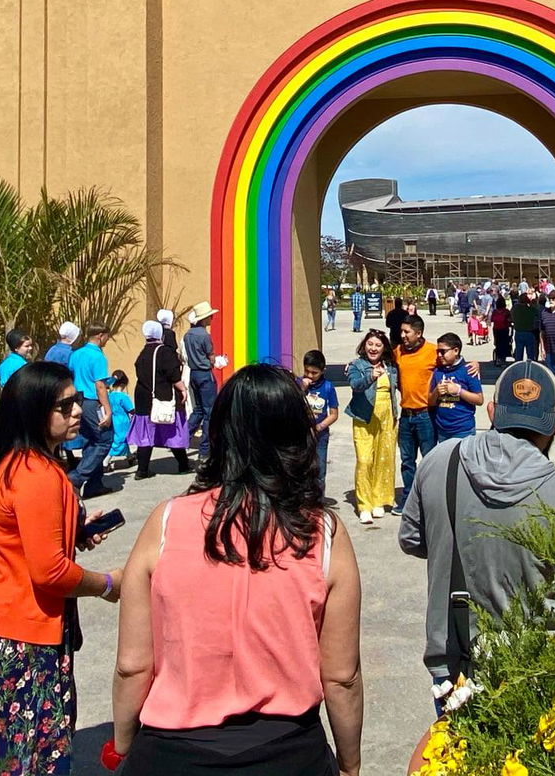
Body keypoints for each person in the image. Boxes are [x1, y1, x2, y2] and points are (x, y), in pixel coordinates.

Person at [108, 364, 363, 776]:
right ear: (298, 436)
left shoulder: (166, 521)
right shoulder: (323, 532)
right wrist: (349, 765)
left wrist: (122, 744)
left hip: (171, 754)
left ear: (219, 433)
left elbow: (133, 665)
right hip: (289, 752)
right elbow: (342, 677)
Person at [0, 360, 123, 775]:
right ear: (33, 412)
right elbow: (50, 573)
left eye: (76, 401)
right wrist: (107, 583)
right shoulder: (37, 475)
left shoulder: (11, 461)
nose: (77, 411)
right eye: (64, 406)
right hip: (17, 637)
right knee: (37, 761)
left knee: (14, 752)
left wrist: (72, 531)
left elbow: (19, 538)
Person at [399, 359, 555, 710]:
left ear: (492, 412)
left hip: (453, 669)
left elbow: (411, 539)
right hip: (535, 673)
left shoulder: (441, 461)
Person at [346, 329, 398, 527]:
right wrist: (371, 377)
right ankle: (364, 505)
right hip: (363, 416)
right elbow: (355, 385)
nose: (373, 348)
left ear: (384, 348)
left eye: (378, 345)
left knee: (384, 459)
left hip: (387, 416)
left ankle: (379, 500)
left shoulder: (391, 366)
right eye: (370, 344)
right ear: (364, 345)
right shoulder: (357, 365)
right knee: (365, 460)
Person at [132, 320, 190, 480]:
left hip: (143, 398)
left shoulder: (143, 352)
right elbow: (173, 374)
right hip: (162, 396)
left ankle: (142, 470)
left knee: (145, 434)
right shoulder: (164, 352)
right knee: (171, 430)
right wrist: (183, 389)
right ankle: (183, 464)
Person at [394, 314, 438, 506]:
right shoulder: (397, 352)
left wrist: (474, 365)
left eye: (407, 332)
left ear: (418, 333)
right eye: (401, 331)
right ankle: (408, 501)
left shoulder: (433, 351)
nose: (402, 335)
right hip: (406, 416)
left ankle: (428, 500)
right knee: (406, 461)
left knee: (429, 461)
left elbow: (455, 363)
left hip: (425, 415)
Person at [67, 324, 115, 498]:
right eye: (107, 337)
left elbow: (71, 376)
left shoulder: (76, 354)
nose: (107, 340)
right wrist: (108, 410)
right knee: (105, 439)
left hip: (79, 400)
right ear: (100, 336)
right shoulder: (97, 356)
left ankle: (95, 484)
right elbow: (100, 385)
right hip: (93, 402)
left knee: (90, 440)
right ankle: (77, 477)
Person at [181, 301, 220, 463]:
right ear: (204, 319)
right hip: (204, 373)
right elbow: (210, 356)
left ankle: (182, 439)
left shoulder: (188, 335)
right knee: (209, 412)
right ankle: (205, 449)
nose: (211, 318)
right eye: (209, 316)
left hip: (193, 374)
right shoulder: (204, 335)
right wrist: (215, 361)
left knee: (197, 409)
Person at [428, 333, 483, 442]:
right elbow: (430, 402)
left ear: (456, 351)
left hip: (463, 430)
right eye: (438, 352)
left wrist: (458, 390)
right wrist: (436, 392)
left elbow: (479, 399)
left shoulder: (469, 370)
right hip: (443, 430)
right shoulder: (438, 372)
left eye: (443, 351)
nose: (439, 355)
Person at [300, 350, 339, 494]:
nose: (310, 376)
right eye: (307, 371)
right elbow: (291, 406)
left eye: (314, 373)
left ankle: (318, 502)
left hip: (320, 438)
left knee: (319, 472)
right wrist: (301, 389)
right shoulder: (299, 384)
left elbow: (334, 414)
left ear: (323, 371)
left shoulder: (328, 387)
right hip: (302, 437)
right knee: (301, 471)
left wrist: (319, 427)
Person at [107, 370, 135, 468]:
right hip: (122, 421)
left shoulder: (109, 395)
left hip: (112, 419)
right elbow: (131, 409)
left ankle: (129, 456)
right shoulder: (123, 397)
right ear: (123, 384)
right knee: (120, 440)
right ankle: (106, 461)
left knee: (121, 438)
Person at [509, 287, 540, 364]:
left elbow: (510, 319)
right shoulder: (531, 309)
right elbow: (538, 314)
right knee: (530, 354)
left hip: (519, 332)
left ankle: (518, 369)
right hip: (529, 332)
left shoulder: (514, 308)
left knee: (518, 354)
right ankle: (530, 369)